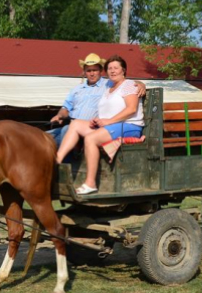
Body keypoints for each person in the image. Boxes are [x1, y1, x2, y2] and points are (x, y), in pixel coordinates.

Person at [56, 55, 144, 195]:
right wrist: (98, 119)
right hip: (110, 126)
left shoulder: (128, 85)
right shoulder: (109, 87)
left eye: (116, 68)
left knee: (90, 139)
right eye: (109, 68)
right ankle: (56, 161)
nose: (112, 71)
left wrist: (141, 83)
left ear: (124, 70)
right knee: (75, 124)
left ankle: (90, 183)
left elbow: (131, 109)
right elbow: (107, 111)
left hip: (128, 126)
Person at [48, 53, 145, 148]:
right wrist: (59, 115)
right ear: (84, 71)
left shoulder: (108, 84)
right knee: (45, 135)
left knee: (61, 134)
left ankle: (65, 161)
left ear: (101, 71)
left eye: (95, 70)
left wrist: (140, 83)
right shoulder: (76, 89)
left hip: (90, 126)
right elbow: (66, 108)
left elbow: (123, 82)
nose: (92, 73)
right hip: (73, 124)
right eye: (89, 70)